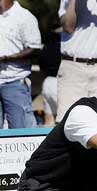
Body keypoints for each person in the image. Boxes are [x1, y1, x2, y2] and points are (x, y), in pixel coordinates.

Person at [0, 0, 42, 129]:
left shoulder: (24, 17)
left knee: (22, 130)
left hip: (15, 81)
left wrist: (7, 58)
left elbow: (35, 48)